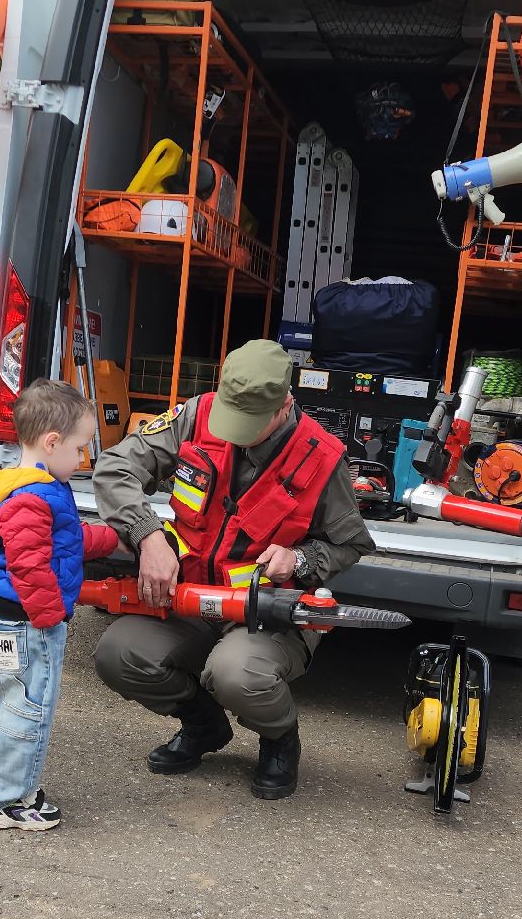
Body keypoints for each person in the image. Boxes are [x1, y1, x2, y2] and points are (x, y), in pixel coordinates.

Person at [92, 339, 376, 800]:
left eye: (251, 424)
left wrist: (300, 559)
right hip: (190, 598)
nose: (236, 433)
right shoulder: (197, 416)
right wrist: (147, 536)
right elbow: (115, 466)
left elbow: (352, 543)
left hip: (267, 611)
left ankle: (280, 739)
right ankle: (203, 727)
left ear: (285, 405)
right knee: (119, 655)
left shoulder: (322, 459)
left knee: (235, 673)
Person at [0, 380, 120, 830]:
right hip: (30, 623)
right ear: (52, 442)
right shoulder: (35, 496)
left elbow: (63, 541)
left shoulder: (33, 487)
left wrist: (115, 536)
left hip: (12, 619)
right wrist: (50, 617)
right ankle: (11, 802)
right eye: (80, 448)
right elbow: (30, 565)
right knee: (29, 706)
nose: (83, 458)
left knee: (8, 701)